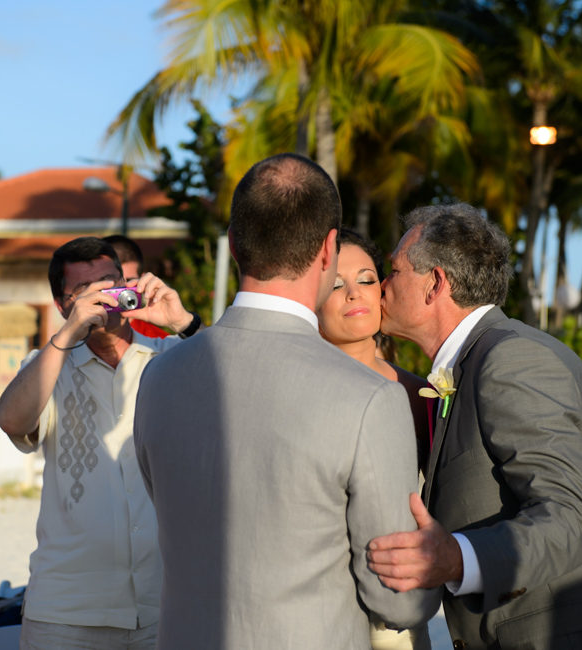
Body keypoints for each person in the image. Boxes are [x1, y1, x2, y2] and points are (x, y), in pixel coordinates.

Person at [133, 154, 440, 649]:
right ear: (327, 250)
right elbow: (397, 601)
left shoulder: (159, 377)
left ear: (234, 244)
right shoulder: (369, 397)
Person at [367, 204, 582, 649]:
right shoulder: (475, 362)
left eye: (393, 271)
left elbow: (570, 519)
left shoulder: (511, 360)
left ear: (435, 284)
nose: (382, 286)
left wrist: (456, 558)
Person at [0, 236, 200, 649]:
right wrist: (70, 331)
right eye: (88, 293)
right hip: (65, 614)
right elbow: (11, 419)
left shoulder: (174, 356)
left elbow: (237, 390)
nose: (105, 300)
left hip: (165, 605)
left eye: (112, 284)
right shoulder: (46, 366)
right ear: (62, 304)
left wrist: (183, 323)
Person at [315, 227, 431, 650]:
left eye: (366, 280)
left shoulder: (422, 395)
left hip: (397, 615)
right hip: (316, 610)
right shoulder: (293, 390)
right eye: (335, 285)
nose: (353, 295)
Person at [103, 234, 169, 339]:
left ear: (143, 282)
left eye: (129, 282)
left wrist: (182, 322)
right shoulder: (75, 337)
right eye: (111, 281)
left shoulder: (161, 341)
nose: (122, 290)